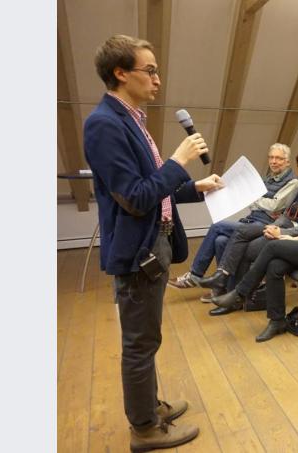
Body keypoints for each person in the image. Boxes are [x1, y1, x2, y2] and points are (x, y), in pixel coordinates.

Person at [84, 34, 225, 451]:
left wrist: (194, 185)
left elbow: (154, 188)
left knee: (147, 338)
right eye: (150, 70)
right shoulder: (104, 124)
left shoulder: (132, 120)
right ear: (120, 73)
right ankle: (145, 428)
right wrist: (179, 161)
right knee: (140, 343)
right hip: (139, 251)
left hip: (155, 244)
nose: (158, 79)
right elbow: (135, 198)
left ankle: (148, 407)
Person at [211, 156, 298, 342]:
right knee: (275, 266)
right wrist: (294, 238)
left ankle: (240, 292)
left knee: (273, 246)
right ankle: (277, 320)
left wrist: (295, 239)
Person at [192, 152, 298, 315]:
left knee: (246, 247)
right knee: (225, 239)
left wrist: (280, 231)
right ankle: (224, 282)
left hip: (291, 236)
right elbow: (285, 215)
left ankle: (231, 294)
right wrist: (273, 226)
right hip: (278, 227)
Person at [168, 143, 298, 289]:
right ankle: (222, 286)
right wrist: (259, 201)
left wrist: (253, 197)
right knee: (220, 240)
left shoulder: (293, 182)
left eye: (279, 158)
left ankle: (195, 275)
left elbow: (274, 206)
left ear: (287, 162)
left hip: (267, 225)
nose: (274, 161)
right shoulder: (268, 178)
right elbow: (257, 205)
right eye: (271, 157)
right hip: (252, 220)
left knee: (217, 226)